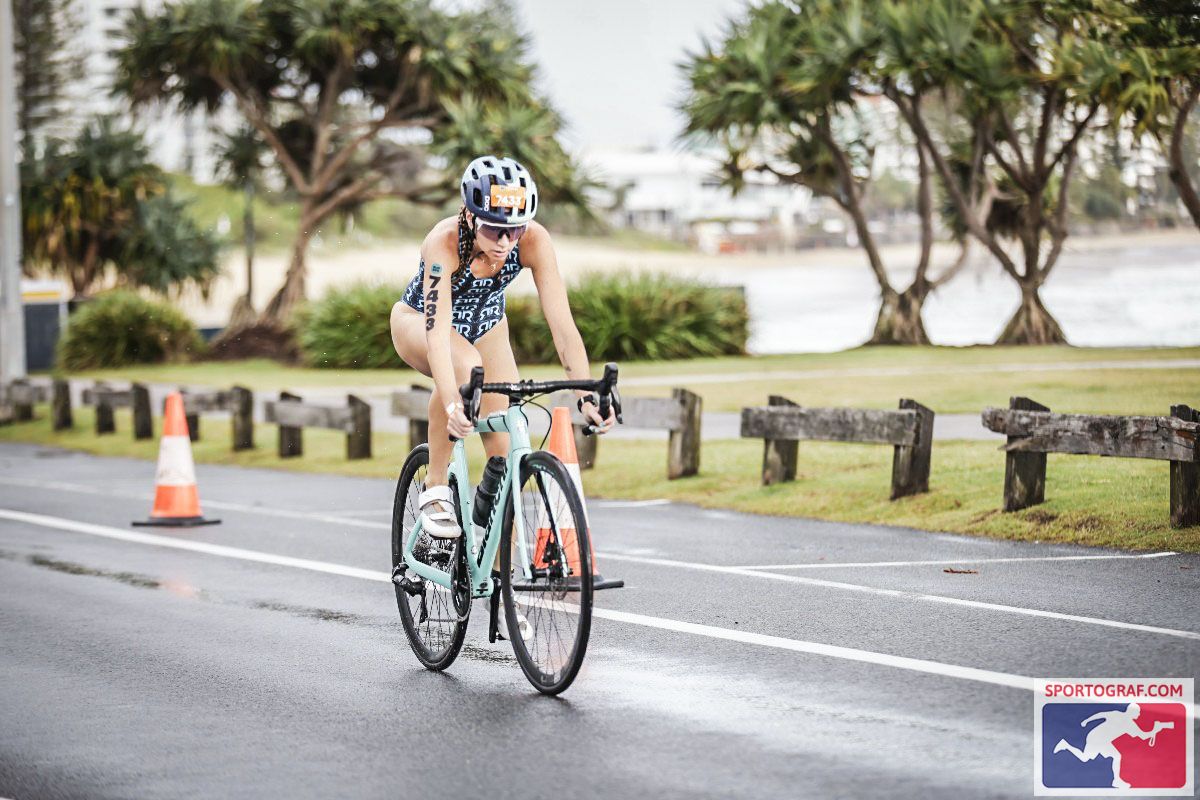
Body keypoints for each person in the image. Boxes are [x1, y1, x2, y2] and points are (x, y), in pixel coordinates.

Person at [391, 155, 615, 540]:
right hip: (419, 323)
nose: (507, 242)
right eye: (496, 230)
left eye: (515, 230)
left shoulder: (533, 241)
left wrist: (585, 393)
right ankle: (436, 485)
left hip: (488, 325)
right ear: (470, 215)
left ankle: (498, 576)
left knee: (505, 448)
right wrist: (450, 404)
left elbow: (562, 326)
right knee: (465, 363)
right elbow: (438, 335)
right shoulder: (443, 243)